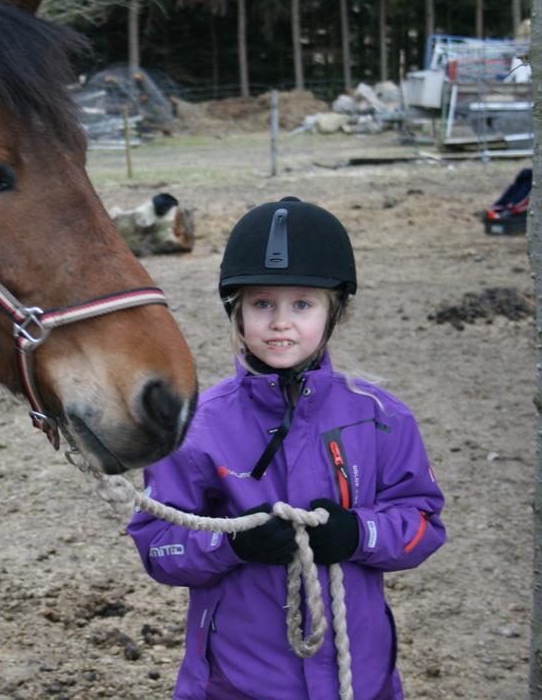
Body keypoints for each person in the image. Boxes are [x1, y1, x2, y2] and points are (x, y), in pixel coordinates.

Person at [129, 197, 445, 700]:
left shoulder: (382, 418)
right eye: (262, 304)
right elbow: (159, 545)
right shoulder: (197, 427)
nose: (280, 322)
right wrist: (231, 545)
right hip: (236, 681)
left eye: (302, 304)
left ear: (334, 311)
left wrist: (358, 532)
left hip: (357, 677)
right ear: (237, 311)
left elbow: (423, 523)